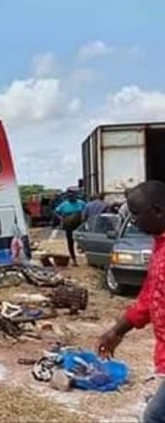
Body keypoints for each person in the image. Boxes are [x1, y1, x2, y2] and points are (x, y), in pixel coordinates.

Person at [96, 181, 165, 423]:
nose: (133, 221)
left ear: (157, 211)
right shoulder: (160, 245)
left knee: (155, 417)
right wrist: (116, 331)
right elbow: (149, 297)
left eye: (136, 214)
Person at [54, 191, 86, 266]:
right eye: (70, 197)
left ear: (75, 196)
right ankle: (73, 258)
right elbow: (56, 211)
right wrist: (61, 218)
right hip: (68, 224)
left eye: (73, 196)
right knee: (70, 241)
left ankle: (81, 249)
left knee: (81, 238)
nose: (71, 198)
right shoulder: (64, 204)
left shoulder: (81, 203)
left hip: (79, 223)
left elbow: (86, 210)